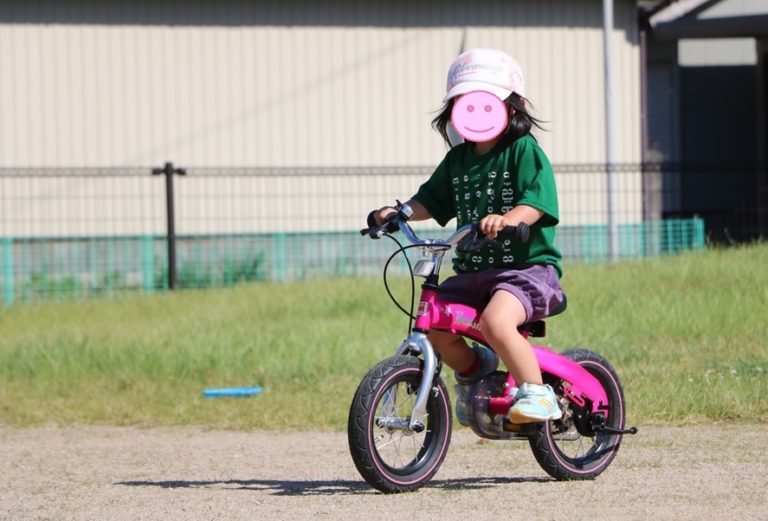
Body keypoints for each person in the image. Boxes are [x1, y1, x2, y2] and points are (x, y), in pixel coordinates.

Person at [371, 48, 566, 425]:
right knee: (435, 321)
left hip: (525, 272)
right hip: (474, 274)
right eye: (465, 103)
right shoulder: (457, 160)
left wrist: (507, 219)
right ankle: (477, 373)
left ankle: (539, 394)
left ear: (512, 106)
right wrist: (401, 212)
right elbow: (431, 199)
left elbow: (537, 201)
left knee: (496, 322)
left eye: (486, 103)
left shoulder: (523, 150)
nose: (475, 112)